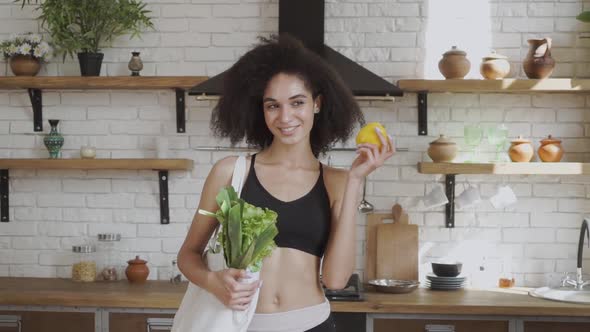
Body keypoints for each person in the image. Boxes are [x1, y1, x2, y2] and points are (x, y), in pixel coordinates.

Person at [177, 34, 394, 332]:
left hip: (312, 324)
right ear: (260, 110)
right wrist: (213, 281)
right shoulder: (229, 172)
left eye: (297, 102)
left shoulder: (338, 182)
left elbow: (335, 280)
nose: (285, 116)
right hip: (241, 326)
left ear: (316, 104)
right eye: (272, 106)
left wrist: (356, 181)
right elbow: (188, 255)